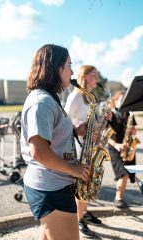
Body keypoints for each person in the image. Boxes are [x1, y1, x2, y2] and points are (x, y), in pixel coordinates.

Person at [20, 44, 91, 240]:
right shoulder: (41, 102)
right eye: (69, 65)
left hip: (54, 185)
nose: (72, 70)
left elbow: (50, 136)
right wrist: (73, 170)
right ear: (56, 68)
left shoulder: (49, 98)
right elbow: (39, 152)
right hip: (50, 189)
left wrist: (75, 131)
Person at [65, 65, 102, 238]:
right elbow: (63, 122)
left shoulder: (90, 97)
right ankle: (78, 220)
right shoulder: (75, 97)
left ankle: (83, 213)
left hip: (89, 145)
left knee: (88, 184)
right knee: (81, 184)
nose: (97, 79)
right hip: (79, 147)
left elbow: (91, 120)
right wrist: (78, 129)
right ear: (85, 77)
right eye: (94, 75)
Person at [107, 91, 137, 208]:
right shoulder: (111, 114)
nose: (124, 101)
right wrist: (116, 145)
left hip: (127, 147)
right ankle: (118, 198)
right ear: (115, 101)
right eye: (121, 99)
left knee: (127, 173)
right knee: (122, 173)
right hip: (115, 147)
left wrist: (132, 130)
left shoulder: (129, 114)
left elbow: (133, 130)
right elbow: (106, 135)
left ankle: (121, 198)